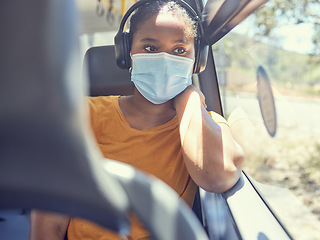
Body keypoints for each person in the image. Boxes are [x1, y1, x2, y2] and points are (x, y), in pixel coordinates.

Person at [28, 0, 244, 239]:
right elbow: (51, 218)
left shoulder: (205, 125)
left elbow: (217, 177)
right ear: (126, 54)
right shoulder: (84, 113)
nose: (165, 59)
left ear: (197, 61)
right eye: (150, 48)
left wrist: (189, 97)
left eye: (180, 50)